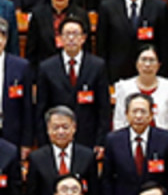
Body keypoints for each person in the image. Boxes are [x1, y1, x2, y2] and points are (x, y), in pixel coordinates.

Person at [102, 90, 168, 195]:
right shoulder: (113, 140)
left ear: (151, 114)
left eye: (143, 111)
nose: (138, 116)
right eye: (134, 111)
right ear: (126, 114)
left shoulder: (164, 139)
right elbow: (107, 182)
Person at [35, 14, 111, 150]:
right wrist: (43, 143)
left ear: (83, 38)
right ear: (60, 38)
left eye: (75, 34)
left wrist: (100, 142)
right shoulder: (46, 68)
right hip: (56, 139)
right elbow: (41, 109)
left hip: (88, 139)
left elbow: (103, 108)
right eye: (67, 34)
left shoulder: (97, 66)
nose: (71, 38)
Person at [95, 0, 168, 85]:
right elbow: (102, 46)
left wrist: (162, 72)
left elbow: (164, 44)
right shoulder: (107, 7)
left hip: (149, 73)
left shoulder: (159, 7)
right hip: (116, 73)